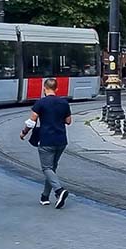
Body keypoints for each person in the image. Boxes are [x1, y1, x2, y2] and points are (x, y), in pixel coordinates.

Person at [21, 78, 72, 208]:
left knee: (47, 168)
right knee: (52, 169)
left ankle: (59, 191)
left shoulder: (40, 103)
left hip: (46, 140)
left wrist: (23, 133)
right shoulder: (64, 103)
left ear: (44, 88)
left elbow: (31, 122)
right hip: (61, 140)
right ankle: (45, 196)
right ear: (57, 89)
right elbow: (68, 121)